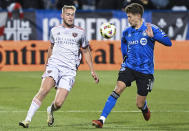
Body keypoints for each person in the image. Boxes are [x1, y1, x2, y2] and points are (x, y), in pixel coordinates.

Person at [92, 3, 172, 128]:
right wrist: (125, 56)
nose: (128, 19)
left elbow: (169, 43)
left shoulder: (151, 28)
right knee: (118, 88)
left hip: (145, 71)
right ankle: (101, 119)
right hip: (129, 67)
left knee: (139, 104)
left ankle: (144, 108)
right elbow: (123, 42)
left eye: (130, 17)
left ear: (138, 16)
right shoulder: (127, 32)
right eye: (127, 17)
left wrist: (154, 36)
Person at [19, 5, 99, 128]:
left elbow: (86, 51)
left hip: (70, 70)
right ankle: (27, 120)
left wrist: (92, 70)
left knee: (59, 103)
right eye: (68, 14)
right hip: (54, 65)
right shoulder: (54, 30)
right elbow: (51, 47)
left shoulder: (80, 32)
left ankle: (51, 109)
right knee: (44, 90)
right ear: (62, 16)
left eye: (72, 14)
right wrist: (46, 64)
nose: (70, 17)